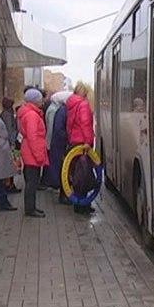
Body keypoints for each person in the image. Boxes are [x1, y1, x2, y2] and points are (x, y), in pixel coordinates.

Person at [17, 88, 49, 218]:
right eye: (40, 99)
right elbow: (33, 137)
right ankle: (30, 209)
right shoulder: (32, 115)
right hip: (32, 154)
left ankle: (32, 207)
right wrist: (39, 156)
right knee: (32, 183)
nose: (42, 102)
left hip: (29, 152)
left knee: (32, 182)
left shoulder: (30, 113)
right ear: (35, 101)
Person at [66, 81, 95, 214]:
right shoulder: (83, 105)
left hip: (74, 143)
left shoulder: (71, 105)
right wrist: (88, 141)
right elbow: (86, 125)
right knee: (84, 175)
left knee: (77, 175)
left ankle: (78, 203)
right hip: (83, 144)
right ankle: (83, 205)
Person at [48, 92, 71, 204]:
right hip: (61, 146)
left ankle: (65, 195)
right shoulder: (63, 111)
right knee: (64, 170)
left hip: (59, 145)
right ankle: (63, 196)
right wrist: (68, 137)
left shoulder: (61, 110)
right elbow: (58, 130)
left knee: (63, 169)